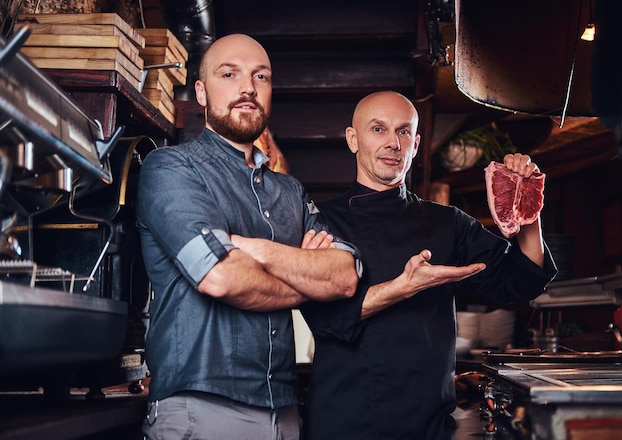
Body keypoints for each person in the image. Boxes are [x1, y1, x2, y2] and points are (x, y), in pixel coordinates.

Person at [135, 33, 360, 440]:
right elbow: (221, 277)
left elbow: (343, 276)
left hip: (283, 409)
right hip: (201, 406)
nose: (247, 88)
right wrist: (306, 280)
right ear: (201, 93)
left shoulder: (289, 191)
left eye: (261, 76)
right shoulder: (170, 169)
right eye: (229, 74)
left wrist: (255, 249)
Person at [299, 91, 557, 440]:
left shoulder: (447, 223)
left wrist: (525, 202)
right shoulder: (320, 221)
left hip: (428, 425)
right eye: (378, 129)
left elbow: (524, 280)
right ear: (353, 139)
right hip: (345, 420)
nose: (393, 142)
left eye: (404, 132)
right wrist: (403, 287)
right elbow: (324, 317)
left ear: (416, 144)